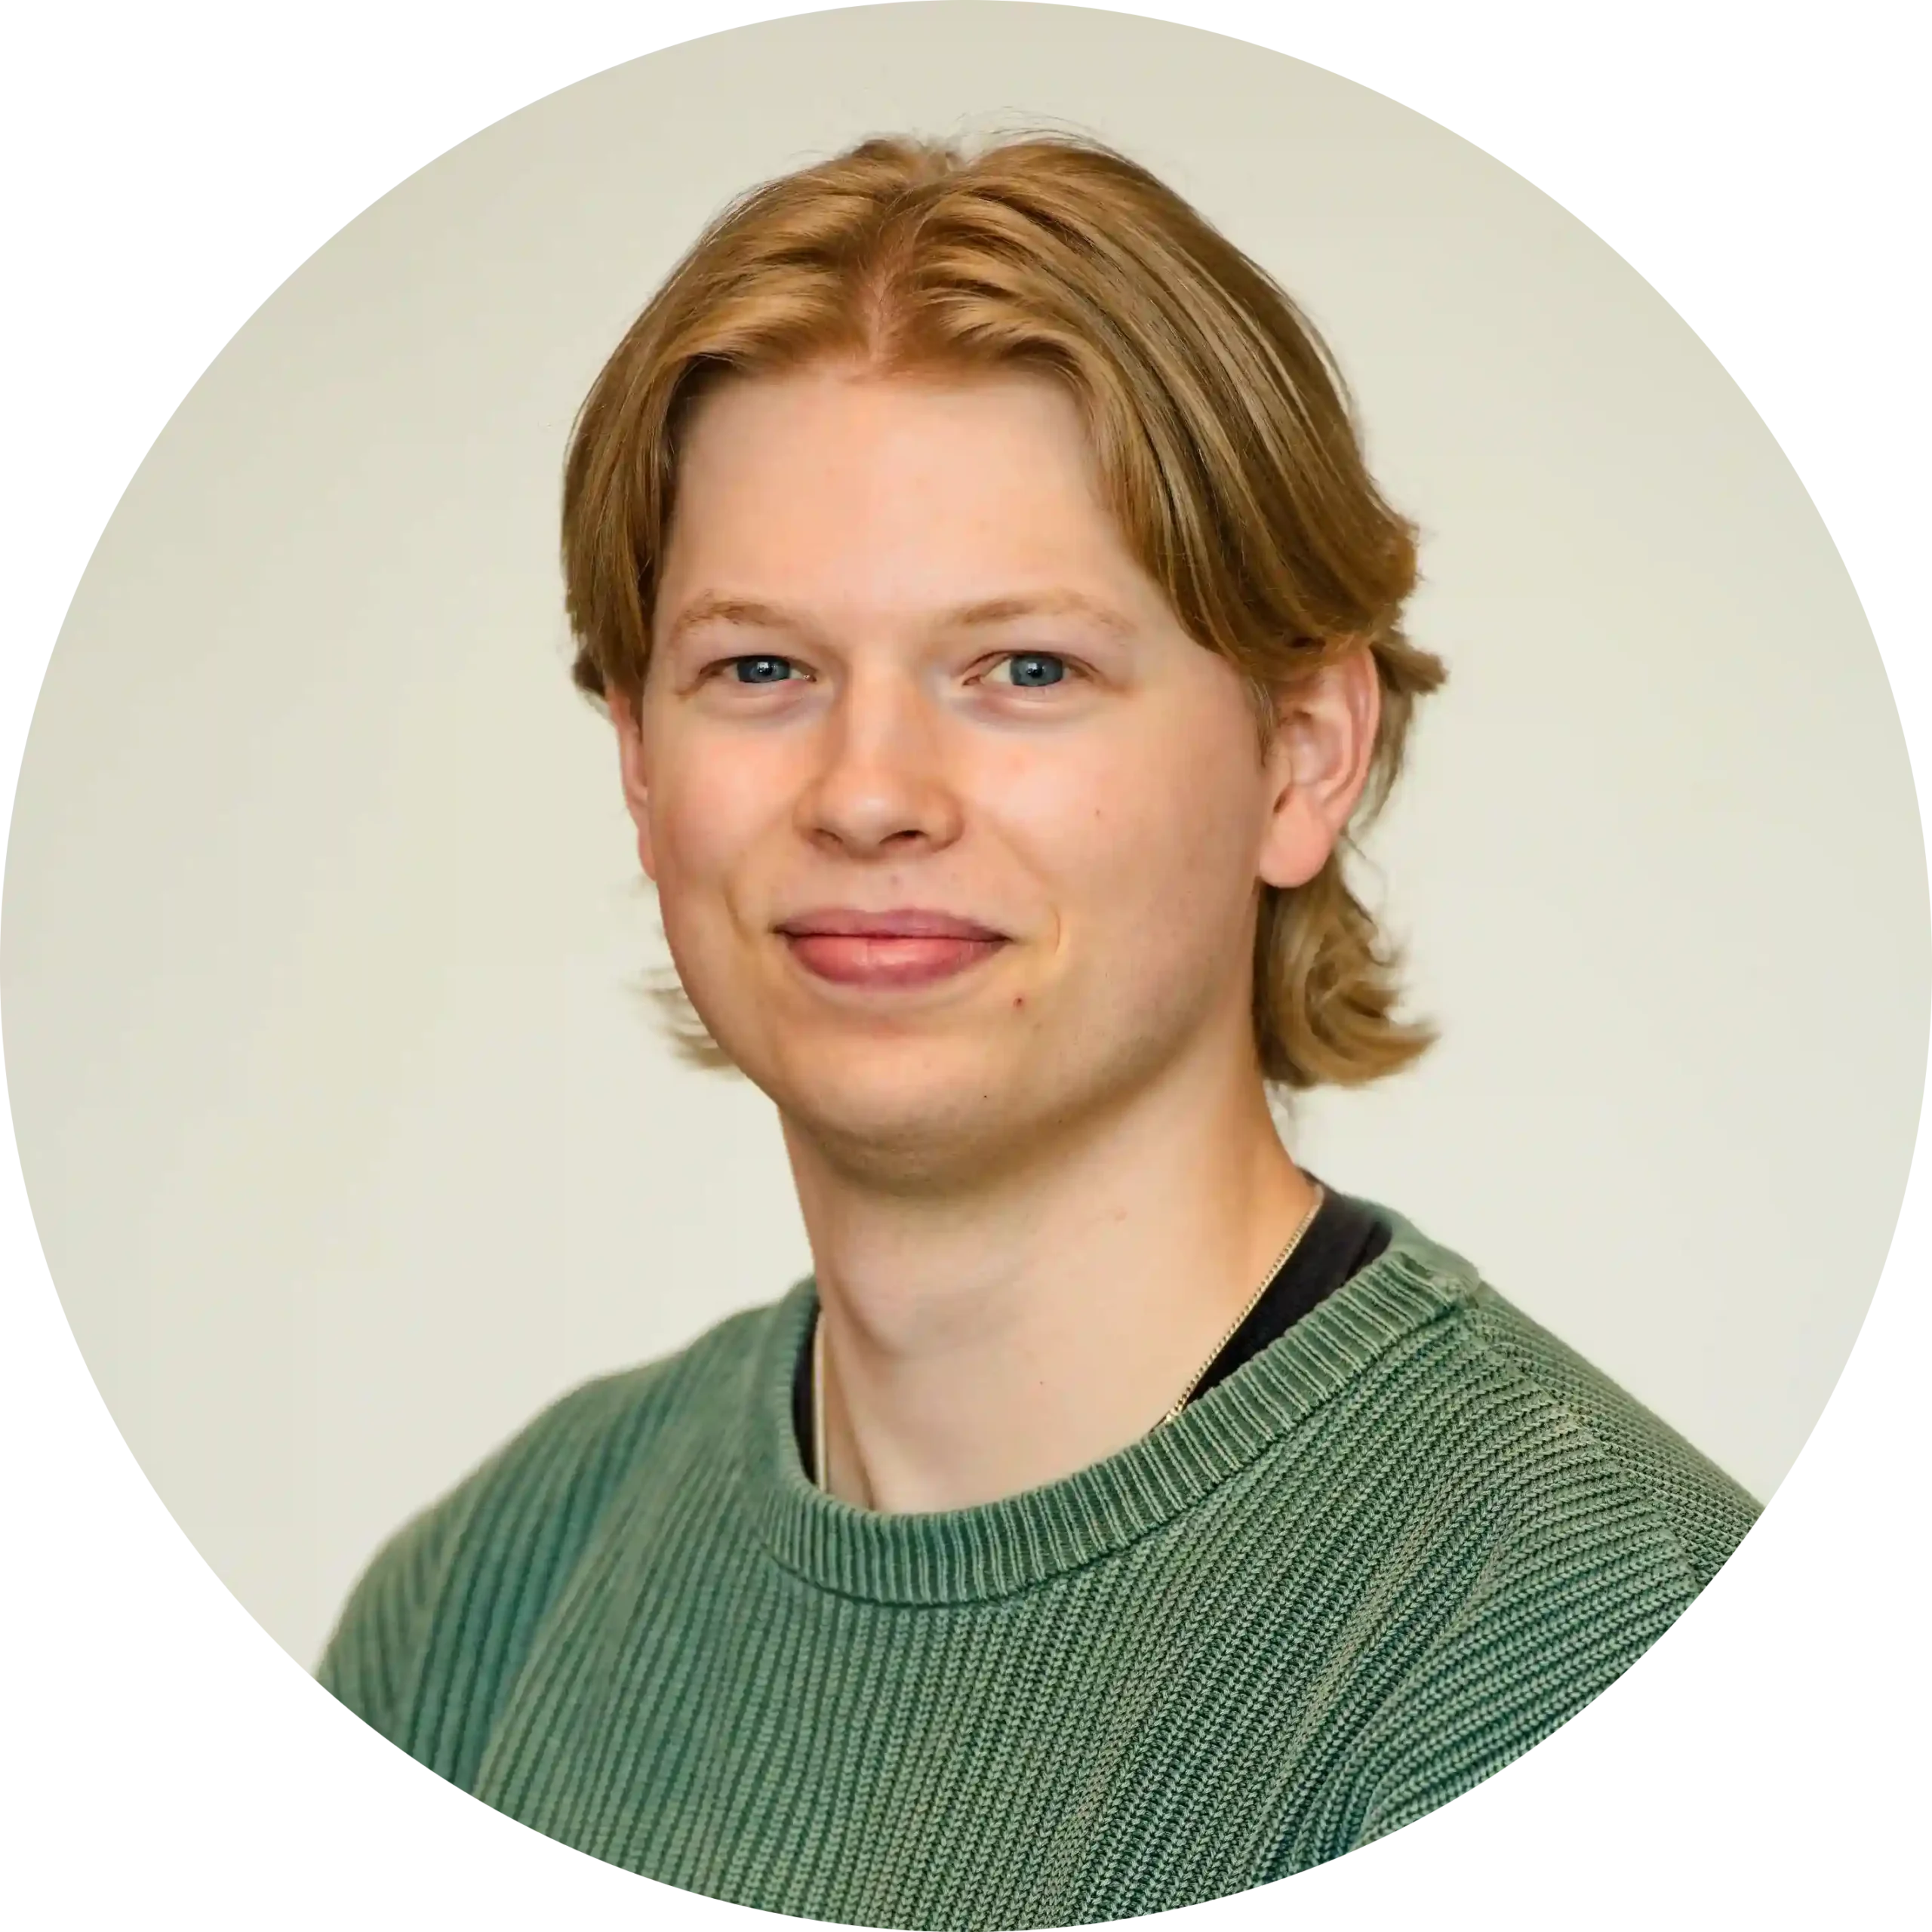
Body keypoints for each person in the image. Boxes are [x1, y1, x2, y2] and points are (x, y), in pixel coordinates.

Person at [316, 128, 1761, 1924]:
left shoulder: (1560, 1633)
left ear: (1301, 754)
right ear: (637, 760)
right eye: (759, 668)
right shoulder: (481, 1612)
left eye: (1023, 668)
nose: (867, 792)